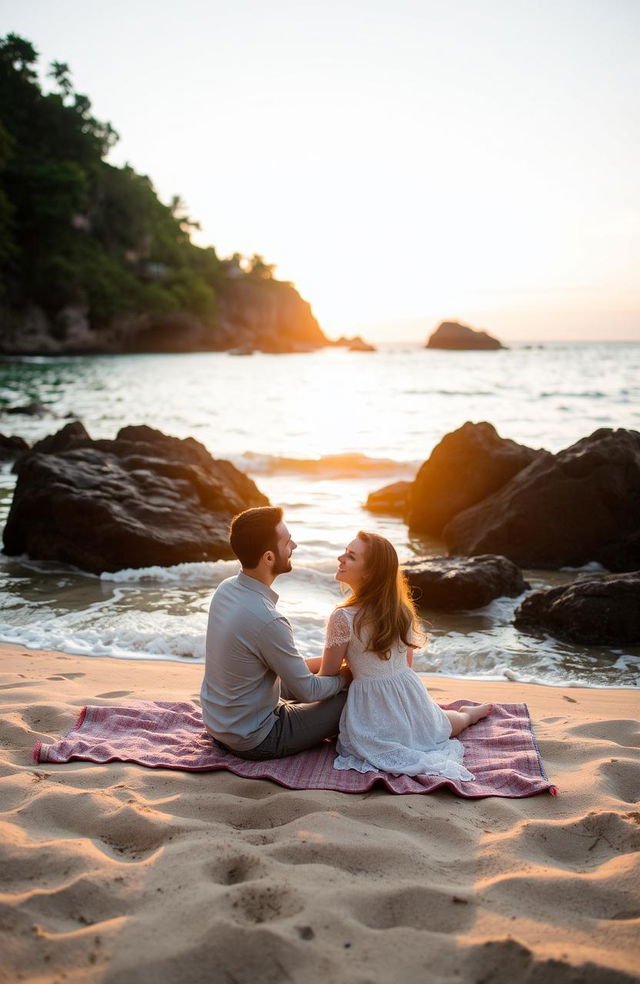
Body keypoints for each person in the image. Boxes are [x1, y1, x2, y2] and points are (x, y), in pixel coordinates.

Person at [318, 531, 492, 779]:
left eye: (350, 556)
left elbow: (328, 673)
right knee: (443, 728)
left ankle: (468, 714)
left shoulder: (342, 617)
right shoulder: (400, 610)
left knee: (434, 729)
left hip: (371, 705)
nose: (340, 558)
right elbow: (406, 663)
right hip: (409, 692)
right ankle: (469, 713)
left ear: (369, 572)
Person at [200, 506, 348, 760]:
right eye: (287, 542)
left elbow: (287, 674)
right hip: (255, 739)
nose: (295, 546)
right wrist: (347, 677)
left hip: (220, 725)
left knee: (324, 686)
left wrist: (337, 665)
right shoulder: (268, 620)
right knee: (353, 698)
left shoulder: (226, 590)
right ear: (268, 557)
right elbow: (307, 692)